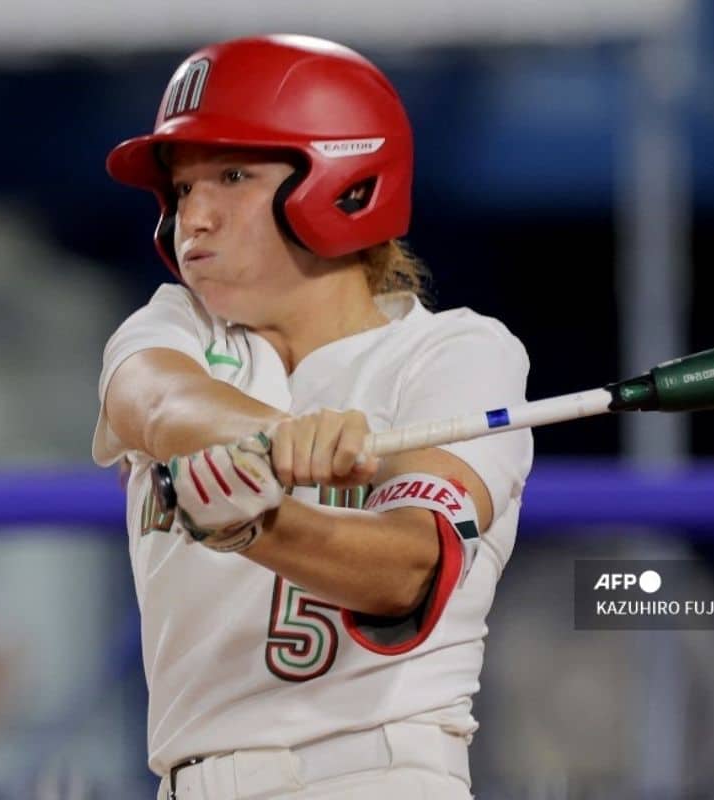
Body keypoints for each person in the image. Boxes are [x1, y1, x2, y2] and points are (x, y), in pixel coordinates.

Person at [93, 34, 533, 799]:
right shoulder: (176, 327)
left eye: (231, 176)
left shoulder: (457, 352)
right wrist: (271, 441)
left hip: (374, 773)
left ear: (344, 180)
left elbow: (406, 571)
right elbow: (157, 404)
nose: (193, 216)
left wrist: (262, 525)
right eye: (182, 188)